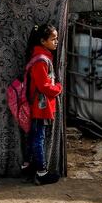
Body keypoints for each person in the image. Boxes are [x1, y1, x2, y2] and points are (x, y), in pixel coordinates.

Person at [21, 23, 63, 185]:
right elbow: (43, 86)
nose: (56, 42)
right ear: (43, 41)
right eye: (53, 39)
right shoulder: (40, 60)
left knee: (35, 137)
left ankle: (31, 166)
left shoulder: (42, 57)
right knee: (38, 138)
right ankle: (41, 172)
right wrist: (58, 88)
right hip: (40, 107)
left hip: (40, 106)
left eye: (57, 38)